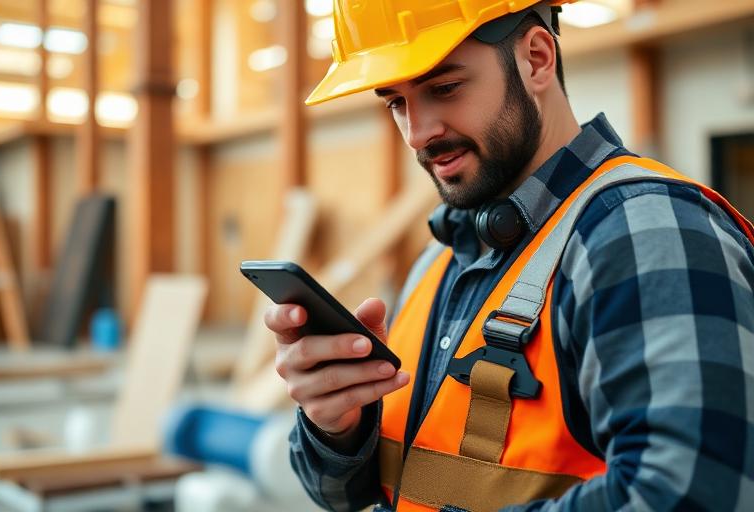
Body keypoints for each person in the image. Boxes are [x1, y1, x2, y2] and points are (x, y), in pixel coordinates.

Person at [263, 1, 754, 510]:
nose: (417, 133)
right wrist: (337, 425)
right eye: (396, 103)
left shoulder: (642, 230)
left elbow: (694, 493)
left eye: (444, 88)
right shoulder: (439, 263)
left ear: (537, 59)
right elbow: (344, 495)